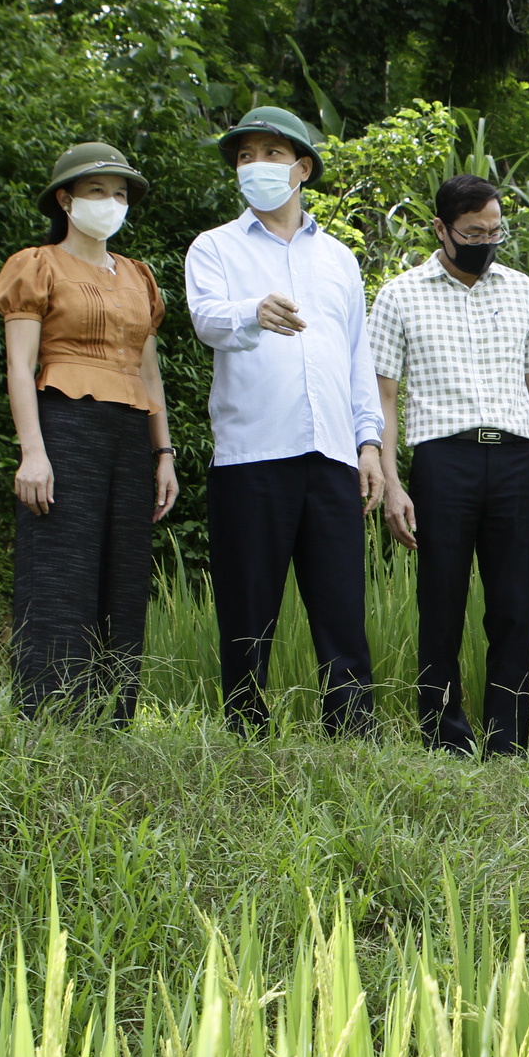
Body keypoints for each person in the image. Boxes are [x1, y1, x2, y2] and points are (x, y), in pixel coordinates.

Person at [185, 108, 384, 737]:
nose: (255, 167)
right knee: (247, 604)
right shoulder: (215, 246)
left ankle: (351, 732)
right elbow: (206, 320)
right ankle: (244, 728)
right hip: (250, 452)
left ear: (301, 168)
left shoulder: (340, 260)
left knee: (340, 605)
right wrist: (253, 311)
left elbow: (358, 357)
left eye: (270, 154)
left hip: (331, 454)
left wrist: (369, 442)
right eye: (244, 157)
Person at [374, 173, 529, 755]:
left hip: (513, 461)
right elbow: (383, 397)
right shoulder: (400, 295)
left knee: (514, 608)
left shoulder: (525, 291)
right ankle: (444, 737)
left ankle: (508, 742)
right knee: (442, 605)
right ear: (441, 229)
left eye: (495, 231)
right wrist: (393, 481)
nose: (485, 240)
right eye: (473, 232)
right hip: (442, 461)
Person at [0, 142, 179, 722]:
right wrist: (33, 453)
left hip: (130, 435)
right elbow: (20, 366)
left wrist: (165, 453)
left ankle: (111, 723)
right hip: (64, 424)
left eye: (120, 193)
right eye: (97, 191)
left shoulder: (139, 278)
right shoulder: (37, 265)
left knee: (124, 577)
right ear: (66, 199)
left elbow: (149, 371)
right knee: (59, 571)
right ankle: (49, 722)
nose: (111, 202)